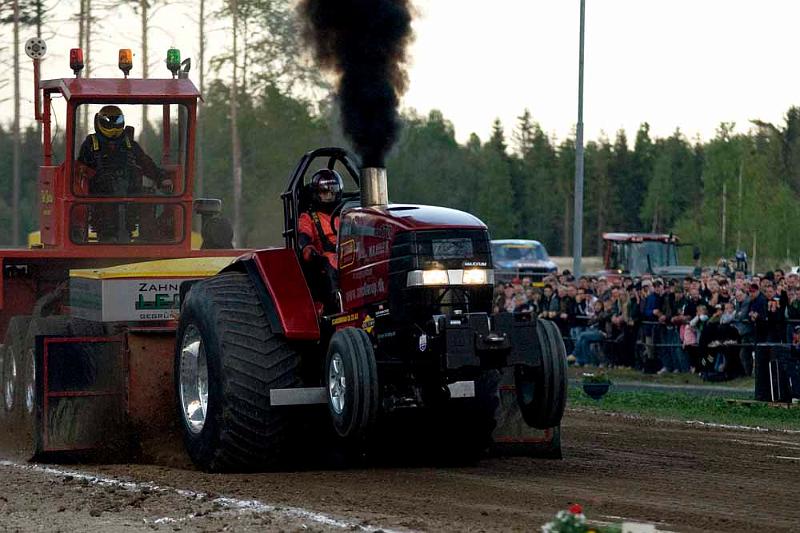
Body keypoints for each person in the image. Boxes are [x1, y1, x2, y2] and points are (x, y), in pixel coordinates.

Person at [77, 105, 170, 241]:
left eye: (117, 121)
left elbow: (145, 163)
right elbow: (80, 169)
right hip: (100, 195)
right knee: (106, 212)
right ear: (101, 122)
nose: (114, 127)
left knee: (148, 197)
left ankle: (148, 239)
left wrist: (161, 178)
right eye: (110, 122)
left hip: (131, 193)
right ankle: (108, 238)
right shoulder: (90, 144)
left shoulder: (129, 144)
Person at [298, 168, 344, 312]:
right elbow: (304, 235)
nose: (329, 196)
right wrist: (307, 248)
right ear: (316, 194)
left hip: (350, 250)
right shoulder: (309, 217)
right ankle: (336, 306)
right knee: (332, 261)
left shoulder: (346, 213)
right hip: (325, 257)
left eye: (332, 192)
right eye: (325, 193)